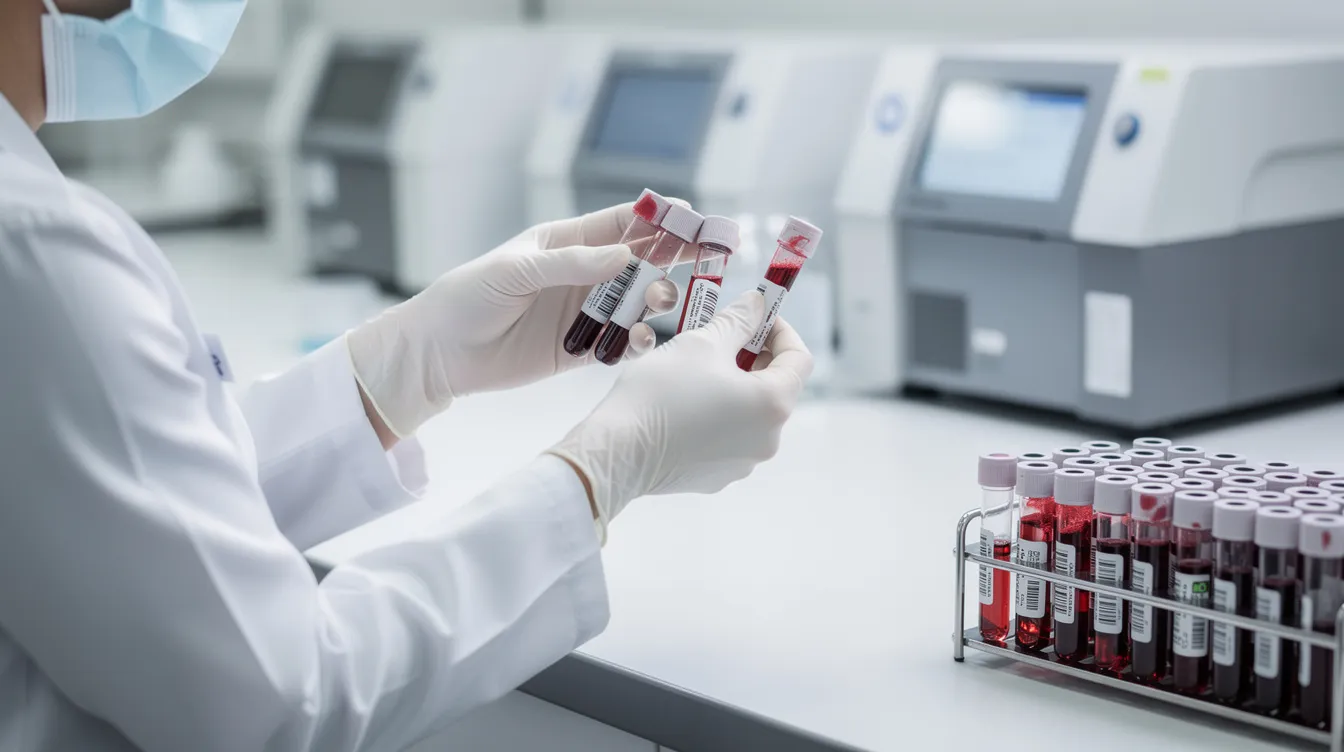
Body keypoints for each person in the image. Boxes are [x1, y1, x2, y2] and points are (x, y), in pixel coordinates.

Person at [0, 1, 812, 750]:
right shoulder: (35, 246)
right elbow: (282, 705)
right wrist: (608, 466)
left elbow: (113, 507)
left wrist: (406, 365)